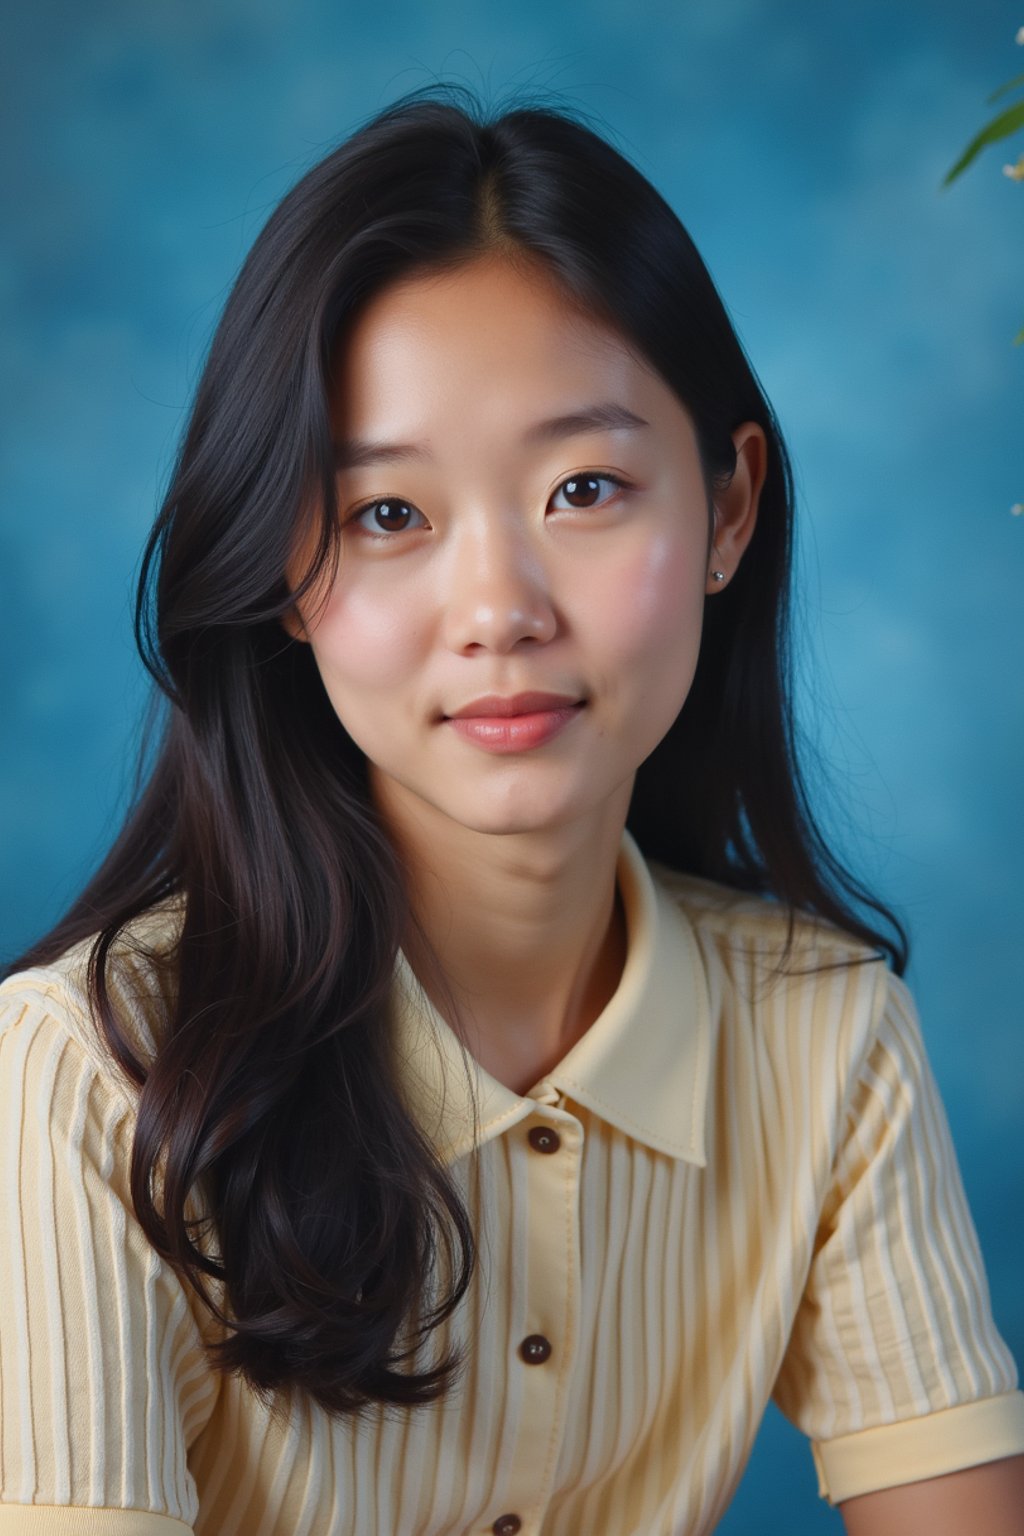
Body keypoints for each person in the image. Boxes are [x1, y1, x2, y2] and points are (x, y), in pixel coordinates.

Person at [1, 84, 1022, 1536]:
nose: (498, 612)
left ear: (731, 509)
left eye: (585, 488)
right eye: (388, 517)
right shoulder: (89, 1081)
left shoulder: (827, 1035)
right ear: (281, 574)